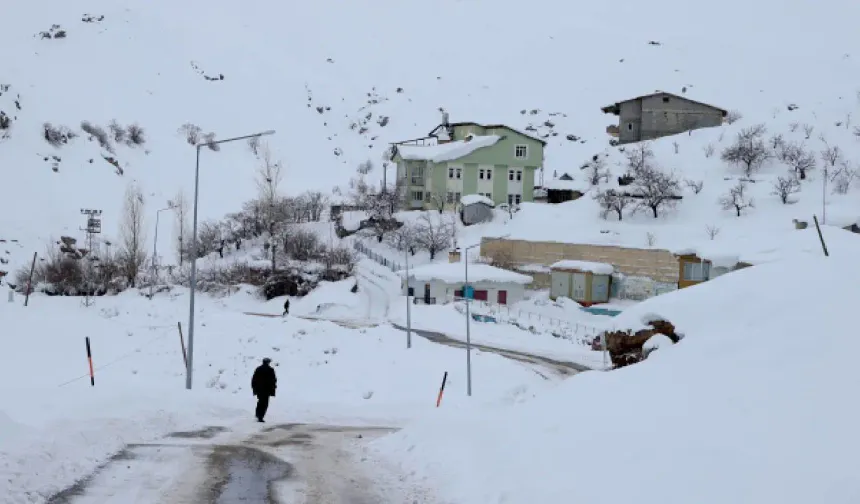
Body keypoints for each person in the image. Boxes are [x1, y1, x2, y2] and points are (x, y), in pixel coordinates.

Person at [251, 358, 277, 422]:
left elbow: (254, 380)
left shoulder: (258, 369)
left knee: (260, 402)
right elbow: (273, 381)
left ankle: (258, 414)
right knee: (264, 404)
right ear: (268, 362)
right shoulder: (270, 370)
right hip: (267, 390)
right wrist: (273, 389)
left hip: (259, 390)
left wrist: (254, 389)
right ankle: (260, 416)